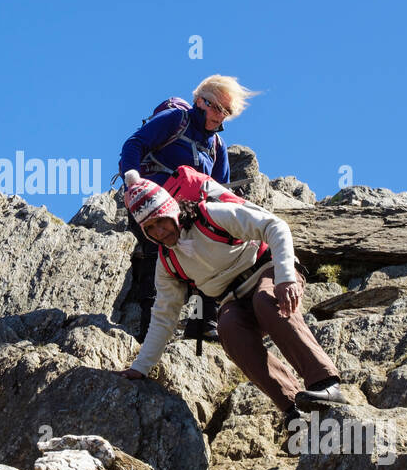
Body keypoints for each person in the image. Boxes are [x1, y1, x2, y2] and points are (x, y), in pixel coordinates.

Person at [116, 170, 345, 431]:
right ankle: (295, 408)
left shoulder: (210, 216)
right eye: (150, 228)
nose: (159, 230)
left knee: (265, 300)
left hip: (268, 271)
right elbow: (163, 316)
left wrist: (284, 278)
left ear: (170, 209)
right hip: (231, 298)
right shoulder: (167, 262)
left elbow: (274, 226)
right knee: (229, 330)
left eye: (161, 220)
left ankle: (325, 383)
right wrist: (140, 367)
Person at [118, 76, 250, 341]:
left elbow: (217, 188)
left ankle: (202, 325)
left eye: (227, 113)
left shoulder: (217, 146)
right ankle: (148, 333)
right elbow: (134, 144)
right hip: (149, 203)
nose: (220, 117)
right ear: (200, 101)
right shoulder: (176, 120)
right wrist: (133, 180)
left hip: (187, 211)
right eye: (216, 108)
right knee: (156, 255)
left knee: (211, 250)